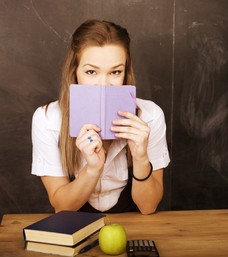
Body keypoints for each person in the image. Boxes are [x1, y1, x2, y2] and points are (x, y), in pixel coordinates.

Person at [31, 19, 170, 215]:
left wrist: (140, 157)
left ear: (125, 73)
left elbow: (148, 207)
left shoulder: (150, 115)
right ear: (75, 72)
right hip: (74, 231)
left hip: (133, 228)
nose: (103, 85)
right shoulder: (48, 119)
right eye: (91, 72)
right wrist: (93, 168)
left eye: (115, 72)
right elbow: (62, 206)